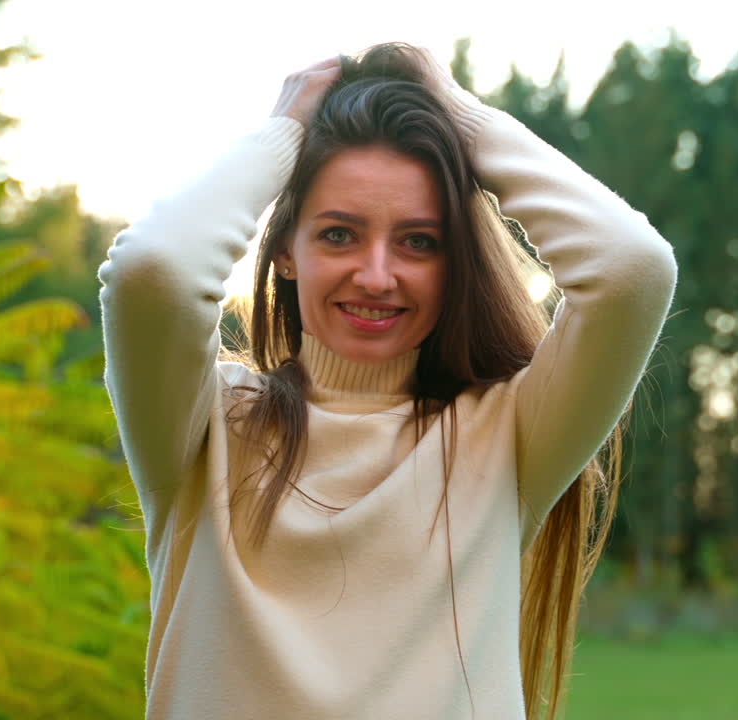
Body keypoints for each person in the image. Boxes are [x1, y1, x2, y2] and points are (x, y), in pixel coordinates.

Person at [98, 42, 678, 720]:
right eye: (339, 235)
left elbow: (633, 269)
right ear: (285, 250)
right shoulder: (202, 432)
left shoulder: (506, 437)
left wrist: (462, 116)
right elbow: (155, 271)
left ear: (452, 263)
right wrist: (282, 133)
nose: (376, 276)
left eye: (418, 242)